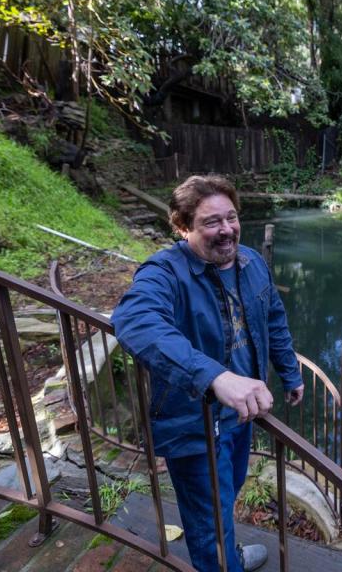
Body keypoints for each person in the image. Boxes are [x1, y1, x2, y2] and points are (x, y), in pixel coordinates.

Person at [112, 174, 304, 572]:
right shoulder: (165, 272)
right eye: (211, 222)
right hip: (194, 421)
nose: (226, 230)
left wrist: (290, 372)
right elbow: (134, 320)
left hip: (239, 416)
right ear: (183, 228)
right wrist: (214, 377)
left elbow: (273, 319)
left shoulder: (252, 263)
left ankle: (228, 557)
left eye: (231, 217)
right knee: (208, 522)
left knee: (227, 494)